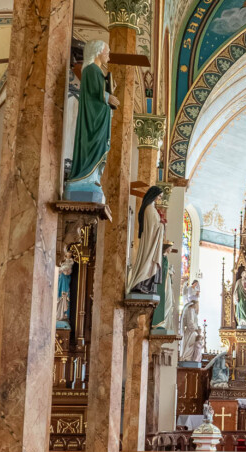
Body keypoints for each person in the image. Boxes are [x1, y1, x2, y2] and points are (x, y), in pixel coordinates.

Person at [64, 40, 119, 201]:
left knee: (98, 147)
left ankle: (91, 179)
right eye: (106, 51)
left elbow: (98, 93)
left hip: (98, 117)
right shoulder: (92, 70)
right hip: (93, 120)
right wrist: (109, 97)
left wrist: (109, 92)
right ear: (98, 52)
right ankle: (84, 178)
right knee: (94, 146)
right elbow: (95, 93)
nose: (108, 55)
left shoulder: (95, 71)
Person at [127, 186, 166, 295]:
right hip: (150, 242)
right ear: (153, 195)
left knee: (149, 263)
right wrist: (161, 225)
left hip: (152, 241)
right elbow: (152, 227)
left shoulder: (151, 208)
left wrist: (161, 224)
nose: (159, 198)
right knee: (147, 261)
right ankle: (141, 284)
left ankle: (147, 285)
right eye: (159, 196)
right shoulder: (149, 208)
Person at [55, 253, 74, 326]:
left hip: (64, 284)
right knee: (58, 298)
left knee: (64, 298)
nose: (68, 255)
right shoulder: (63, 262)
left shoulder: (70, 263)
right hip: (60, 283)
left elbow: (66, 270)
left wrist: (60, 270)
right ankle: (58, 315)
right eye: (67, 254)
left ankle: (63, 316)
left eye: (70, 254)